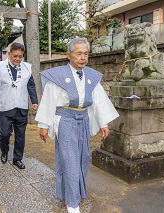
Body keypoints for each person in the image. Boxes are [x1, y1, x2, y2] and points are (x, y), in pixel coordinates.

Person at [35, 38, 119, 213]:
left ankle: (75, 192)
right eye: (78, 53)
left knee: (82, 157)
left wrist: (103, 123)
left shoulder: (92, 76)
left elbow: (99, 101)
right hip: (65, 120)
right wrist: (44, 124)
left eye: (86, 54)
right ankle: (72, 203)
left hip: (83, 120)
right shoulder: (57, 76)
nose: (83, 57)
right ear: (69, 55)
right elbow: (49, 100)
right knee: (69, 160)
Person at [0, 42, 38, 169]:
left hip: (21, 107)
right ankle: (4, 151)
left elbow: (31, 85)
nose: (17, 59)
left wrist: (34, 101)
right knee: (5, 134)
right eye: (15, 56)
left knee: (20, 136)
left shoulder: (27, 68)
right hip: (5, 106)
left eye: (20, 56)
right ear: (9, 54)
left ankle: (18, 158)